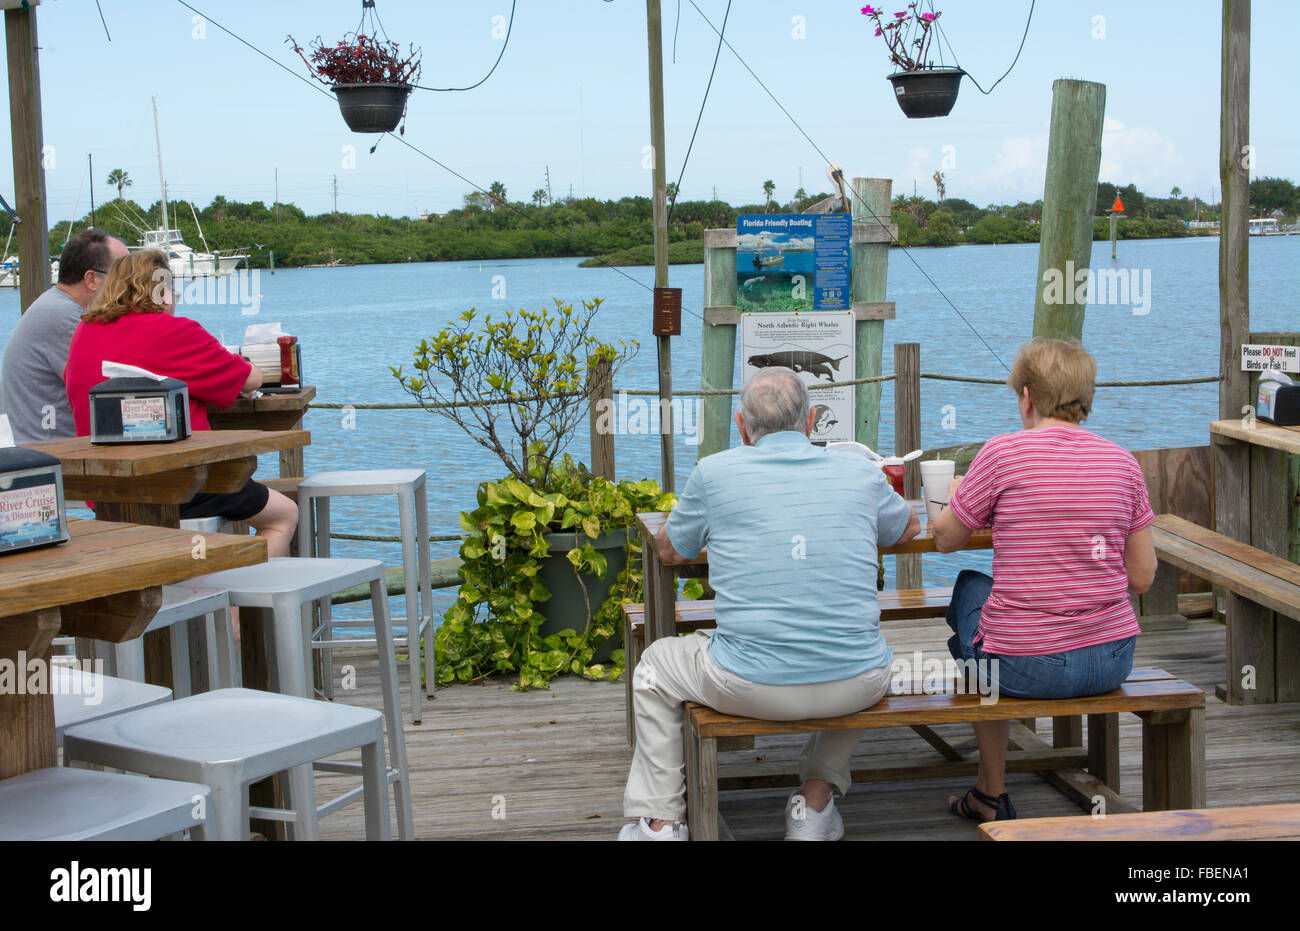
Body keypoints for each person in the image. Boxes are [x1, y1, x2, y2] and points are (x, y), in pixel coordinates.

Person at [618, 367, 921, 841]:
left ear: (741, 426)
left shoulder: (714, 473)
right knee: (865, 655)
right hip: (854, 682)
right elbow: (907, 529)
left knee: (654, 665)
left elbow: (669, 551)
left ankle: (661, 821)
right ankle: (814, 806)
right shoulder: (861, 472)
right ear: (812, 421)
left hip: (746, 682)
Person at [932, 338, 1157, 822]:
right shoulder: (1124, 464)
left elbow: (946, 539)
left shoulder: (1001, 454)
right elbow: (1141, 577)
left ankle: (991, 792)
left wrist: (957, 497)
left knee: (971, 587)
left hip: (1028, 667)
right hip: (1113, 658)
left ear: (1028, 396)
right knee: (994, 600)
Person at [63, 249, 298, 556]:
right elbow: (251, 379)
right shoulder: (174, 330)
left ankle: (207, 594)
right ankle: (238, 603)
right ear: (161, 292)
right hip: (181, 484)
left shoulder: (84, 331)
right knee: (283, 515)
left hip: (108, 489)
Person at [0, 229, 130, 444]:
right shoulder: (66, 319)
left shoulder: (54, 306)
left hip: (40, 449)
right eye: (123, 277)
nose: (131, 287)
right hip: (51, 457)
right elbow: (118, 385)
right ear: (92, 280)